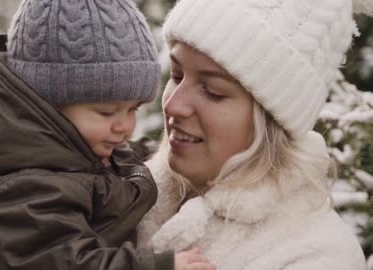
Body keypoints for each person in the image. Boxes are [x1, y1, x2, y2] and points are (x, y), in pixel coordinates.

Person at [0, 0, 216, 269]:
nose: (125, 126)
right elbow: (65, 262)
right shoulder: (23, 187)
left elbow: (124, 160)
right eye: (107, 112)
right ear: (47, 103)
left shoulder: (75, 147)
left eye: (134, 109)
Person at [137, 0, 370, 269]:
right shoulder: (118, 191)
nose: (172, 105)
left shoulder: (318, 256)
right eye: (177, 75)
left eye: (213, 91)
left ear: (271, 121)